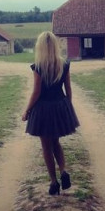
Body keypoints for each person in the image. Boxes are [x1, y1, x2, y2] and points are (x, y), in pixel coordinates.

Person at [22, 31, 80, 195]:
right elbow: (68, 89)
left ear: (40, 47)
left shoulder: (38, 67)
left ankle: (54, 182)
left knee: (46, 147)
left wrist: (27, 110)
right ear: (55, 46)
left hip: (43, 110)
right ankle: (63, 171)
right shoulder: (64, 64)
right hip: (59, 106)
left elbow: (36, 92)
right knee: (56, 142)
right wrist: (68, 107)